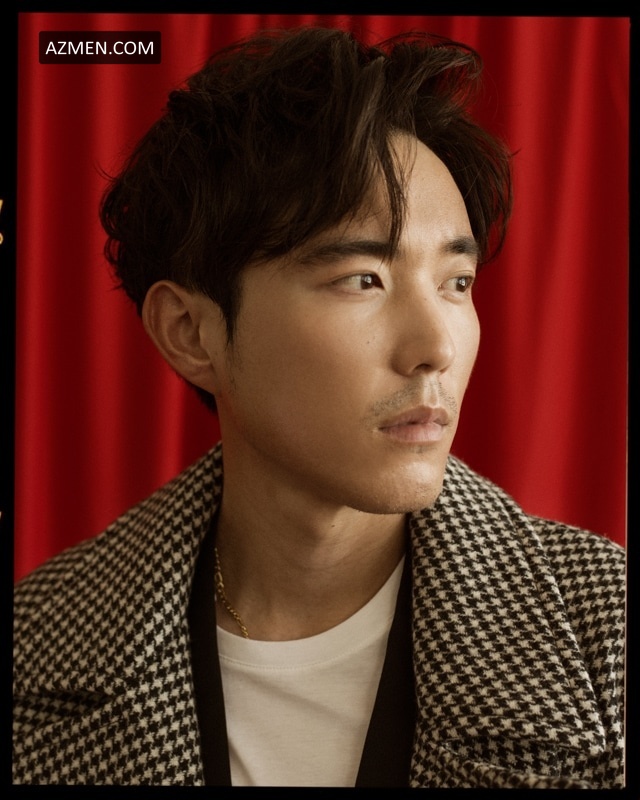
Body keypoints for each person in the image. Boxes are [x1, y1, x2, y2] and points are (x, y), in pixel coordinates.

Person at [12, 27, 624, 789]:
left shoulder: (605, 636)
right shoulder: (37, 648)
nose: (436, 346)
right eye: (363, 279)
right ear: (191, 333)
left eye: (456, 283)